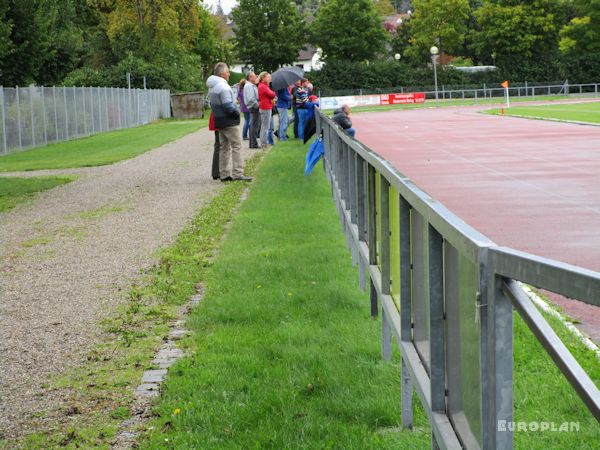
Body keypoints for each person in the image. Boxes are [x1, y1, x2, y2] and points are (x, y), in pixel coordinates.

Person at [206, 62, 252, 181]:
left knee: (224, 147)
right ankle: (238, 173)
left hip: (219, 120)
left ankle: (224, 174)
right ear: (222, 74)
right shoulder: (223, 86)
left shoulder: (212, 86)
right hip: (229, 121)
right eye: (227, 72)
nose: (229, 74)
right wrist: (237, 112)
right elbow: (228, 106)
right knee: (237, 146)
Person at [257, 71, 276, 150]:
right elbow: (272, 94)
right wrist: (273, 93)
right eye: (268, 77)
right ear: (263, 78)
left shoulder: (264, 85)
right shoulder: (263, 86)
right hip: (265, 108)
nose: (270, 78)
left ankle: (264, 142)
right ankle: (264, 143)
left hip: (266, 107)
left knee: (264, 126)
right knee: (265, 127)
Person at [243, 71, 260, 149]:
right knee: (254, 125)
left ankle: (253, 143)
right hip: (254, 107)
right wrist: (258, 105)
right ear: (249, 77)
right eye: (253, 76)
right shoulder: (249, 86)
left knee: (254, 125)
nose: (255, 77)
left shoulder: (250, 85)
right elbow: (251, 99)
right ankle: (253, 144)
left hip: (253, 107)